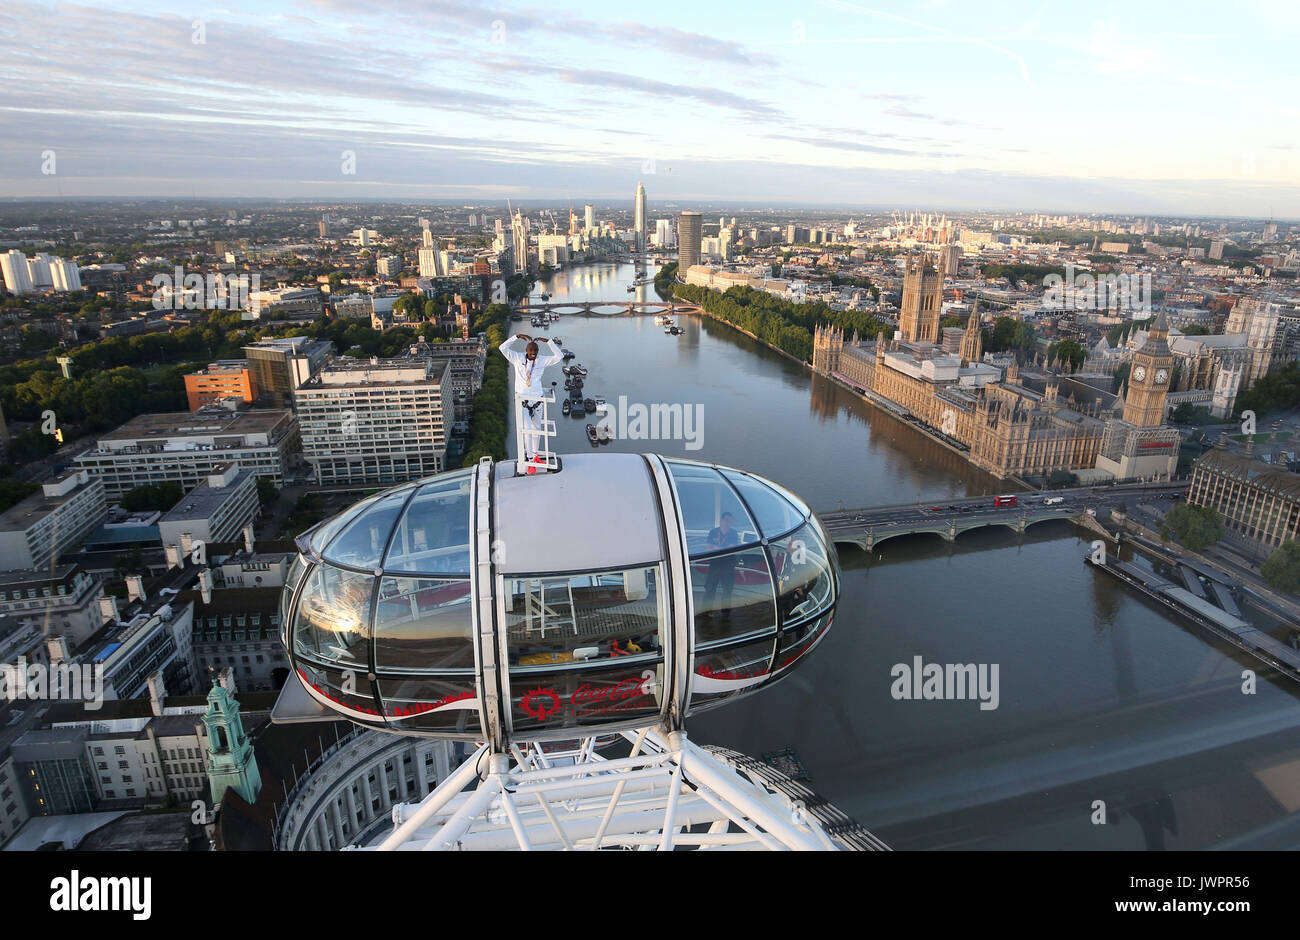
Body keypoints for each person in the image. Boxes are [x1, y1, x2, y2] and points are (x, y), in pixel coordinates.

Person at [499, 333, 565, 463]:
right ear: (526, 350)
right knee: (527, 431)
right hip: (522, 400)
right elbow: (502, 348)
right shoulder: (517, 358)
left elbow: (560, 356)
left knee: (537, 430)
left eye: (535, 350)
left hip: (537, 400)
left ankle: (535, 455)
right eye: (531, 350)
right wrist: (516, 336)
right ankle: (529, 458)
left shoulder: (541, 360)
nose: (533, 352)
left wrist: (549, 342)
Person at [702, 512, 741, 618]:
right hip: (714, 565)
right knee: (710, 589)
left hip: (728, 566)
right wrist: (722, 548)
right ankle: (706, 611)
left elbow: (731, 549)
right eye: (727, 520)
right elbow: (709, 548)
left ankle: (726, 613)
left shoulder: (733, 533)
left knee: (727, 590)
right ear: (722, 520)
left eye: (730, 521)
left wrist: (716, 548)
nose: (728, 523)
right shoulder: (713, 532)